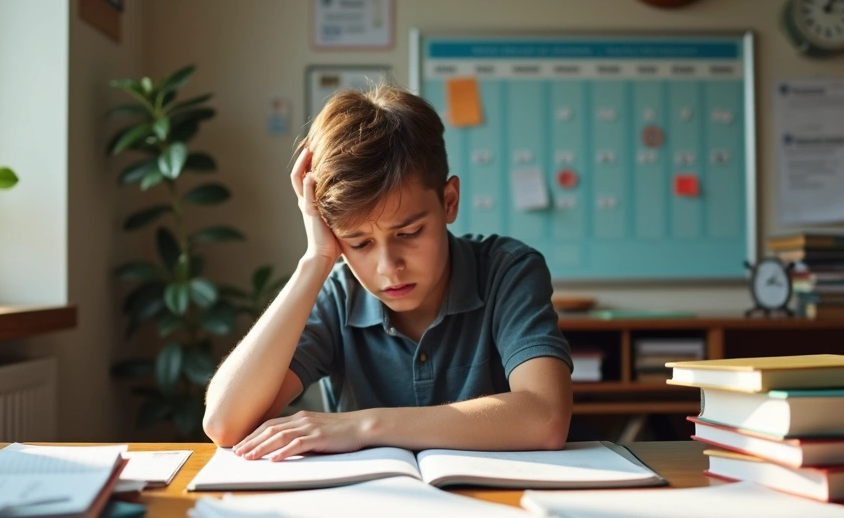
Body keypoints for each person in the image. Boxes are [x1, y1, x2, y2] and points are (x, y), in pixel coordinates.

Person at [202, 83, 573, 461]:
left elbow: (544, 417)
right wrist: (316, 259)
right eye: (358, 243)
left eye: (409, 233)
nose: (388, 267)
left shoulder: (507, 270)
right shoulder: (336, 295)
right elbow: (224, 423)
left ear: (449, 201)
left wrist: (364, 426)